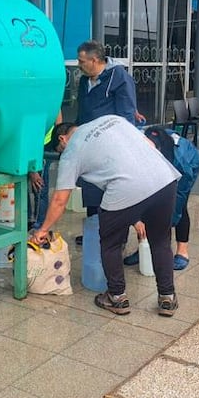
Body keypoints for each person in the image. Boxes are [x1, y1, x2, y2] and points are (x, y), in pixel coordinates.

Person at [30, 116, 181, 317]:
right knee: (161, 241)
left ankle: (117, 297)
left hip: (124, 188)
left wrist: (43, 229)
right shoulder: (113, 120)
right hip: (164, 179)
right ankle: (167, 297)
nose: (62, 154)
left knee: (110, 243)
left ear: (63, 139)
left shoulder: (71, 151)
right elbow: (150, 144)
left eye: (59, 150)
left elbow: (59, 200)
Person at [74, 40, 142, 246]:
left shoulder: (118, 77)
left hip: (111, 146)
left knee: (111, 193)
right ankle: (94, 231)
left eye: (81, 61)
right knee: (92, 190)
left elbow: (127, 113)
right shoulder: (85, 80)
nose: (78, 65)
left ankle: (115, 237)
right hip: (89, 145)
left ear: (95, 60)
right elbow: (82, 111)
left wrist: (124, 146)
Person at [143, 127, 199, 270]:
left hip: (189, 167)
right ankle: (145, 247)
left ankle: (182, 251)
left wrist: (167, 222)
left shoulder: (180, 160)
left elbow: (178, 196)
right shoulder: (140, 142)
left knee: (179, 206)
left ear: (161, 149)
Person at [28, 112, 63, 230]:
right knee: (23, 184)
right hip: (29, 142)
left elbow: (58, 118)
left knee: (39, 185)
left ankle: (39, 224)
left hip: (43, 143)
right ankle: (28, 221)